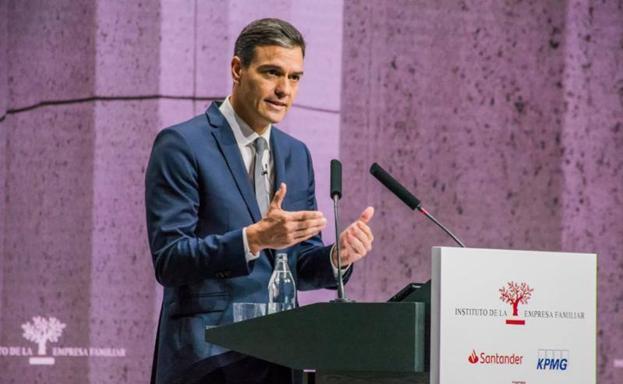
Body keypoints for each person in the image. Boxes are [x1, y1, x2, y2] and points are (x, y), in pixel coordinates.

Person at [145, 18, 374, 384]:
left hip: (280, 362)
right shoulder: (182, 145)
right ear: (238, 69)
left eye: (295, 77)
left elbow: (297, 265)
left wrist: (336, 257)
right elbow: (170, 260)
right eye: (272, 72)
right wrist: (253, 239)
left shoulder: (296, 155)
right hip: (206, 361)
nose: (284, 89)